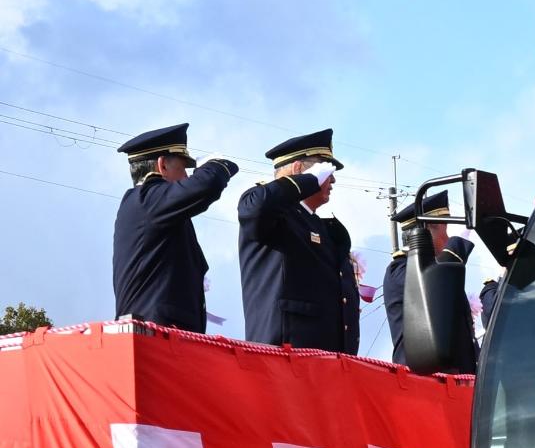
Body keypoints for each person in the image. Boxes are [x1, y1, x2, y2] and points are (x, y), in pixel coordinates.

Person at [237, 128, 357, 353]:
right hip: (285, 352)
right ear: (297, 169)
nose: (332, 179)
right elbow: (255, 209)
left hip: (326, 358)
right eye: (324, 170)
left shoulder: (317, 225)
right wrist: (308, 181)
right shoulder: (273, 212)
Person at [110, 123, 239, 332]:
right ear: (162, 166)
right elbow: (207, 185)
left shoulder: (155, 206)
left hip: (167, 334)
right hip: (155, 336)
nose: (187, 177)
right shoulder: (147, 199)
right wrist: (216, 164)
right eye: (183, 168)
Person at [384, 190, 477, 371]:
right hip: (424, 383)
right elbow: (434, 286)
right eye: (445, 230)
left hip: (454, 380)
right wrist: (455, 247)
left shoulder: (437, 269)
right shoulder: (399, 271)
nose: (448, 238)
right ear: (425, 234)